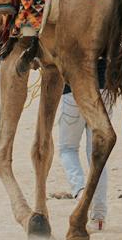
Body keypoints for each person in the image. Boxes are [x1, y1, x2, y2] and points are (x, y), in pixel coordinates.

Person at [44, 87, 109, 229]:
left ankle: (80, 191)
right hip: (104, 93)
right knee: (98, 157)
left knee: (68, 149)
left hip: (73, 94)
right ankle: (99, 218)